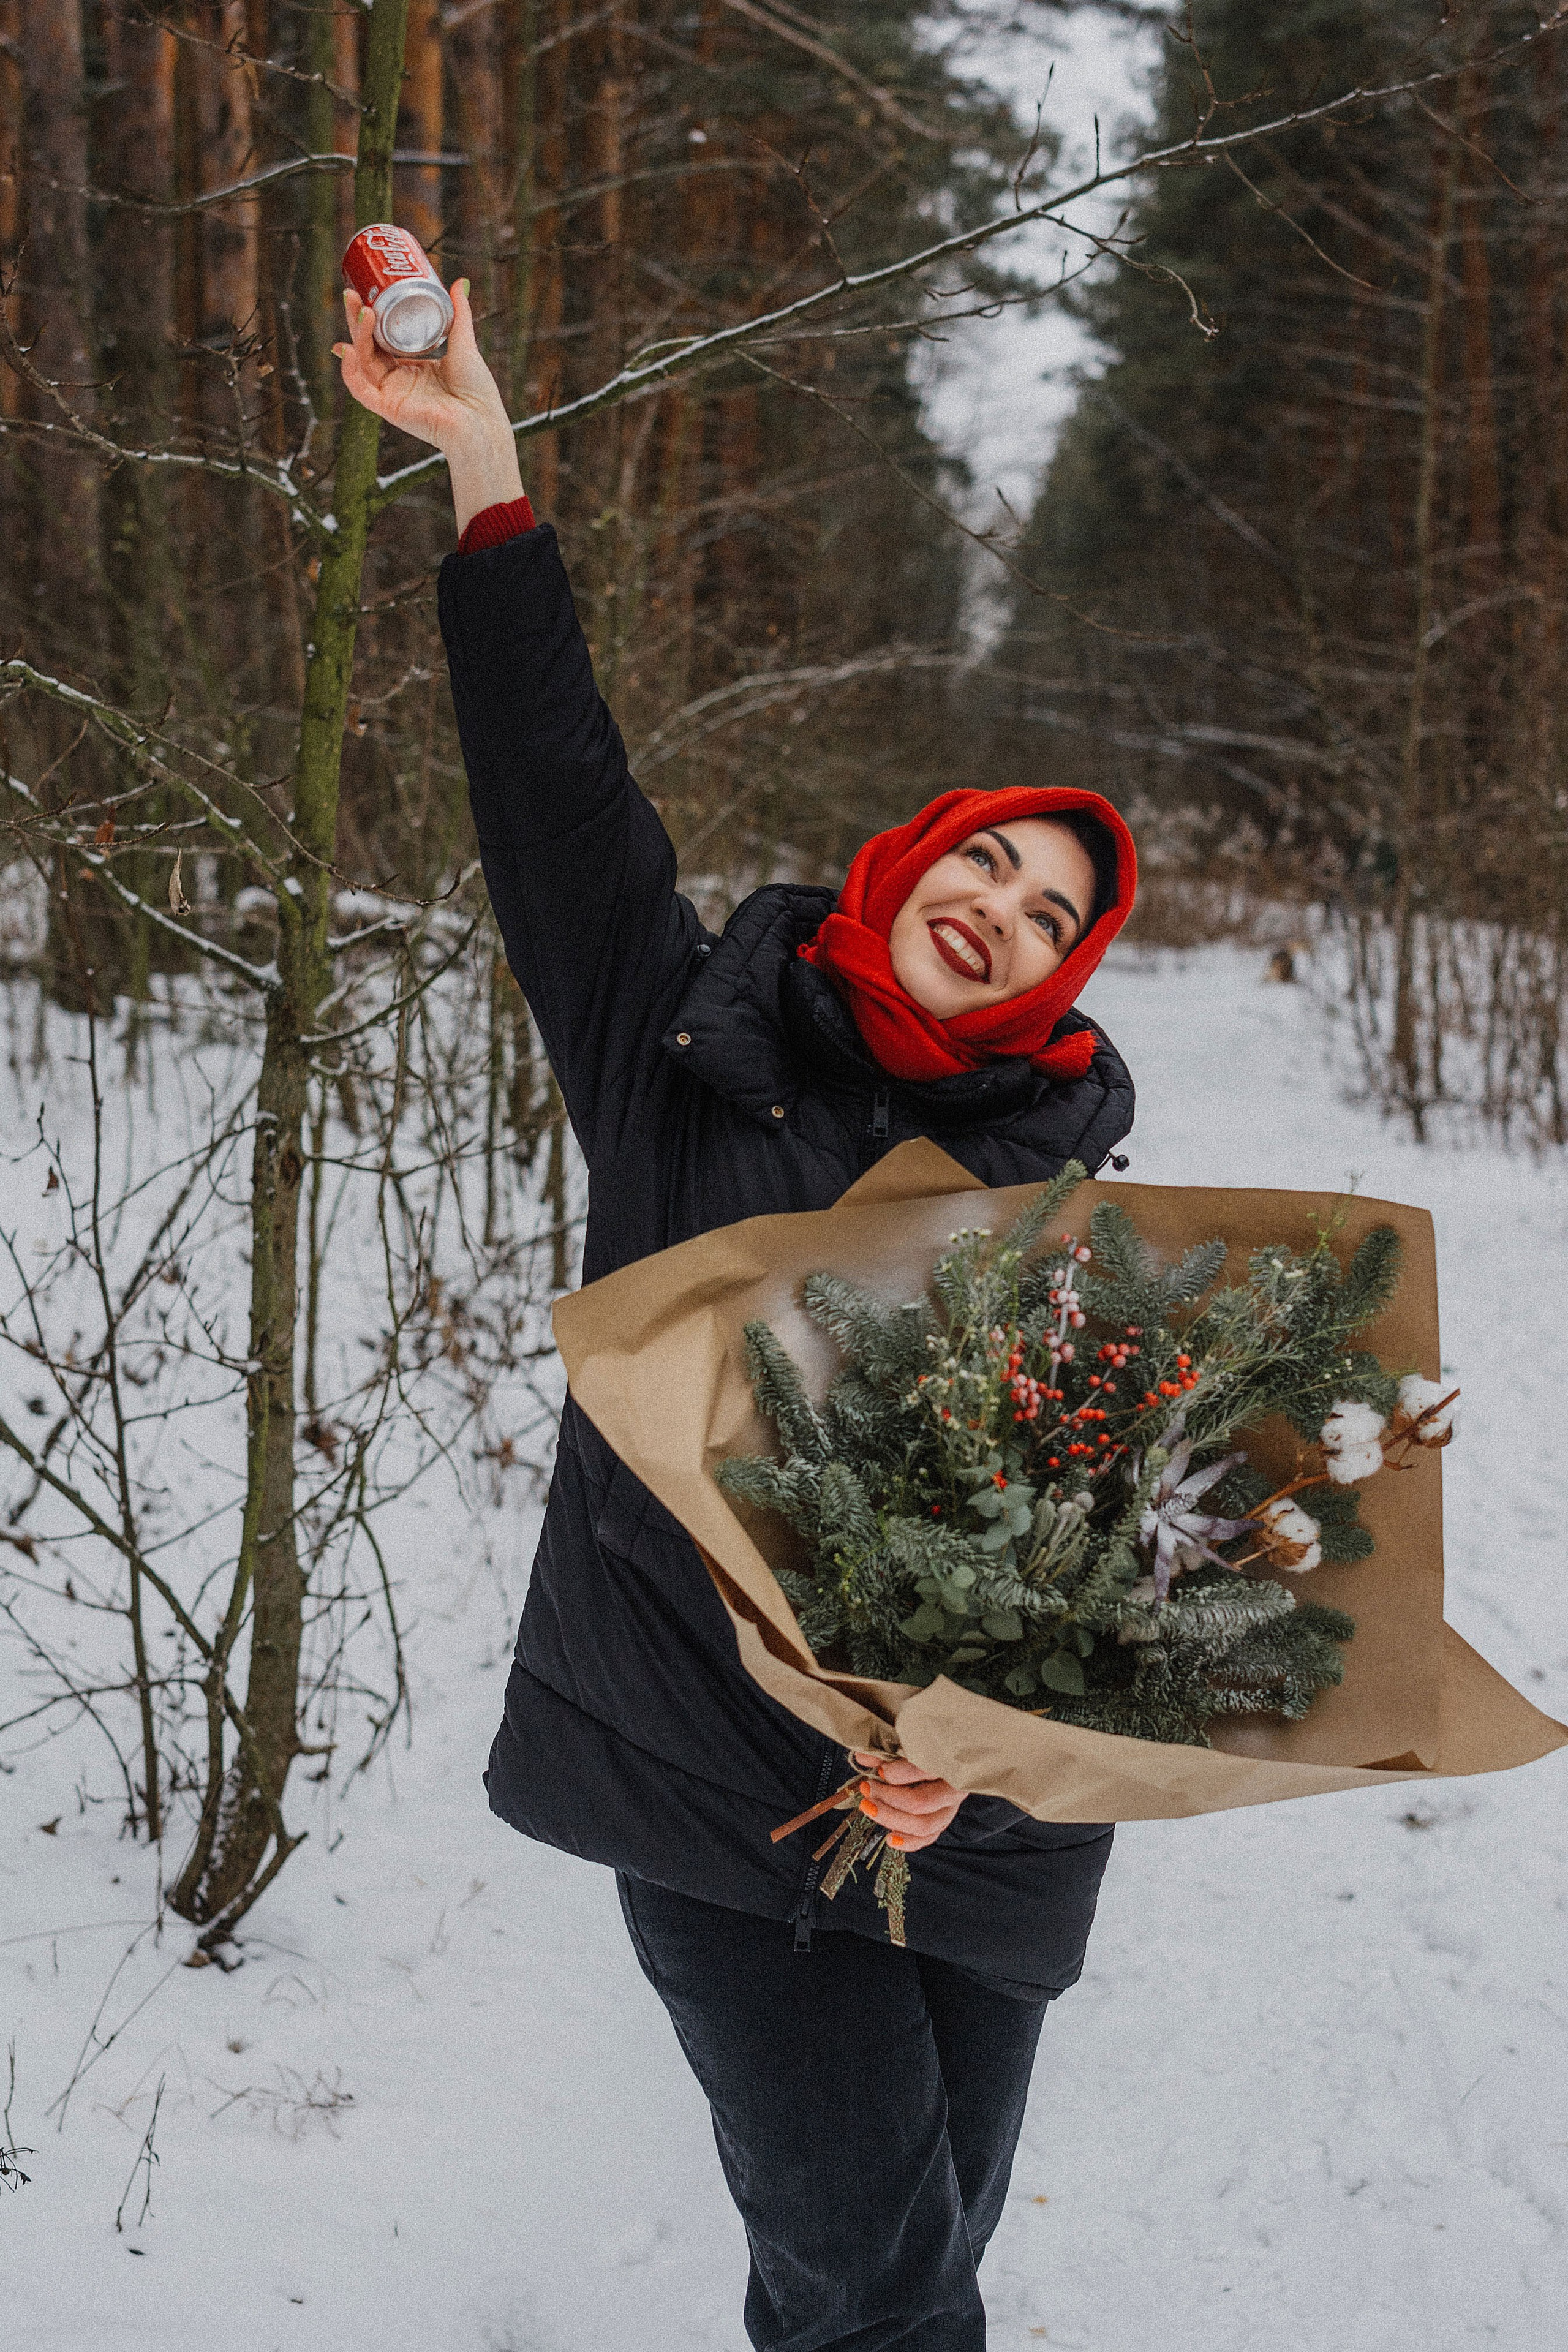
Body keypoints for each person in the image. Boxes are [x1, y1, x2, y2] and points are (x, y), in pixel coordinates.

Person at [337, 277, 1139, 2352]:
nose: (1008, 913)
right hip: (712, 1784)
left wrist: (977, 1766)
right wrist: (486, 470)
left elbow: (1100, 1566)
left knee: (922, 2249)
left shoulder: (1060, 1190)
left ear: (1057, 982)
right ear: (910, 864)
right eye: (993, 866)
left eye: (1054, 917)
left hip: (974, 1834)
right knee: (869, 2275)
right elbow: (557, 807)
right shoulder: (686, 1045)